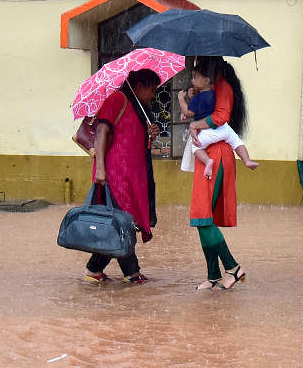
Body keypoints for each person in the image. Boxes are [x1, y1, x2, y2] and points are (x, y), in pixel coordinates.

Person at [83, 68, 161, 285]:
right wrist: (100, 168)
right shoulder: (118, 99)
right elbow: (101, 132)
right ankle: (131, 272)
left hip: (132, 177)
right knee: (122, 223)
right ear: (138, 87)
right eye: (152, 90)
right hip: (115, 174)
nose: (154, 95)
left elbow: (134, 140)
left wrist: (150, 135)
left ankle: (94, 269)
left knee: (120, 222)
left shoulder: (140, 108)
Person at [188, 56, 257, 291]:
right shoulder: (210, 88)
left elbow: (221, 118)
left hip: (216, 157)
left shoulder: (223, 87)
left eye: (198, 65)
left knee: (202, 217)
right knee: (203, 218)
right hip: (209, 155)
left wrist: (195, 125)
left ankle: (233, 267)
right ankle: (213, 274)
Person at [179, 64, 256, 178]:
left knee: (196, 147)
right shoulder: (214, 92)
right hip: (224, 129)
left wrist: (181, 99)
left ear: (207, 79)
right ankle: (247, 160)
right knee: (237, 142)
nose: (192, 80)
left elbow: (189, 112)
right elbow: (204, 110)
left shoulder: (208, 93)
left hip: (209, 133)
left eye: (195, 77)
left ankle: (207, 162)